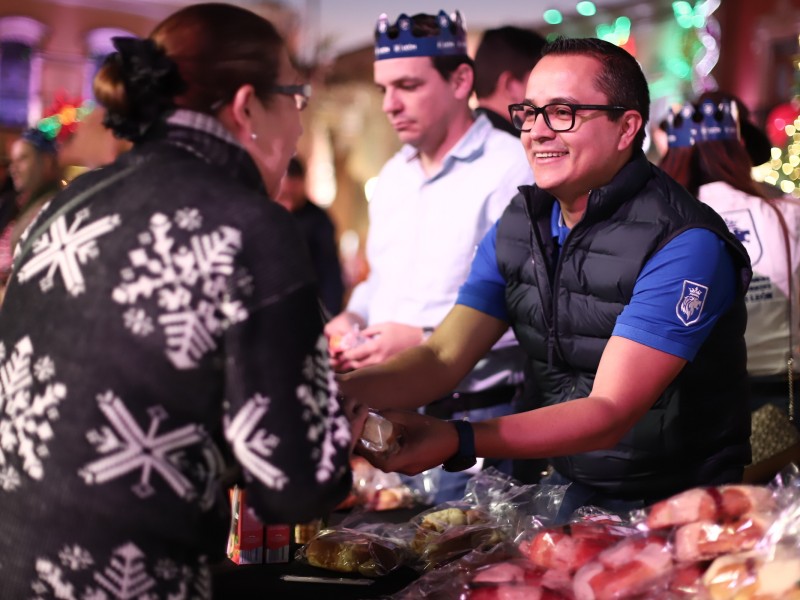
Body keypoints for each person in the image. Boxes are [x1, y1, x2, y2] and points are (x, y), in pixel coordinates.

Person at [0, 4, 360, 597]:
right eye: (296, 99)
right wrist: (338, 402)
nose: (299, 126)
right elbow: (298, 483)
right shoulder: (249, 228)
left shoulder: (63, 205)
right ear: (248, 107)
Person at [341, 37, 753, 522]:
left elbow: (609, 411)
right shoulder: (522, 221)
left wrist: (459, 439)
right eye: (529, 113)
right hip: (566, 488)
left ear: (626, 128)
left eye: (562, 113)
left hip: (679, 503)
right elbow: (442, 355)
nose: (536, 131)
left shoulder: (685, 242)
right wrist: (336, 394)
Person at [325, 9, 533, 503]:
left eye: (408, 85)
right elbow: (381, 279)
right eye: (384, 89)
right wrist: (351, 316)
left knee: (463, 570)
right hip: (386, 419)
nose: (390, 104)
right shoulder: (394, 174)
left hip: (476, 419)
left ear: (461, 80)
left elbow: (532, 307)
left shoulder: (510, 168)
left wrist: (417, 338)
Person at [660, 96, 800, 417]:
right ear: (738, 148)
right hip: (783, 388)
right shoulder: (789, 214)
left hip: (698, 397)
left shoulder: (665, 219)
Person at [276, 156, 345, 315]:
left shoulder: (319, 220)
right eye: (284, 195)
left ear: (302, 184)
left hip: (307, 306)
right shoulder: (266, 214)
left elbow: (330, 271)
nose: (288, 204)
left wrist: (330, 314)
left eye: (292, 195)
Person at [0, 128, 62, 300]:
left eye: (23, 159)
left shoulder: (55, 207)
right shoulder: (13, 203)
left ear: (47, 162)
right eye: (12, 161)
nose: (13, 168)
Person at [473, 25, 546, 137]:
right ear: (511, 86)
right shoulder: (517, 150)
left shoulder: (463, 140)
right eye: (543, 80)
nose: (551, 90)